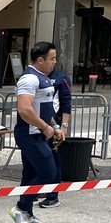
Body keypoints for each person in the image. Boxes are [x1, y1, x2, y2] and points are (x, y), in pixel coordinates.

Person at [9, 41, 60, 223]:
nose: (54, 62)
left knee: (30, 173)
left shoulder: (43, 78)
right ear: (40, 60)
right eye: (52, 59)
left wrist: (55, 126)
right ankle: (21, 207)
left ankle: (27, 212)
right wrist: (45, 127)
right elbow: (25, 109)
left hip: (39, 133)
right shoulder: (29, 79)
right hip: (29, 134)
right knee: (49, 172)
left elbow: (45, 108)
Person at [38, 67, 72, 209]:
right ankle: (37, 190)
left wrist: (63, 127)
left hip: (54, 124)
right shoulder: (35, 77)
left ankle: (53, 196)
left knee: (52, 159)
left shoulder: (61, 78)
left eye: (54, 59)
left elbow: (66, 104)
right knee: (37, 158)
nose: (53, 62)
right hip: (37, 123)